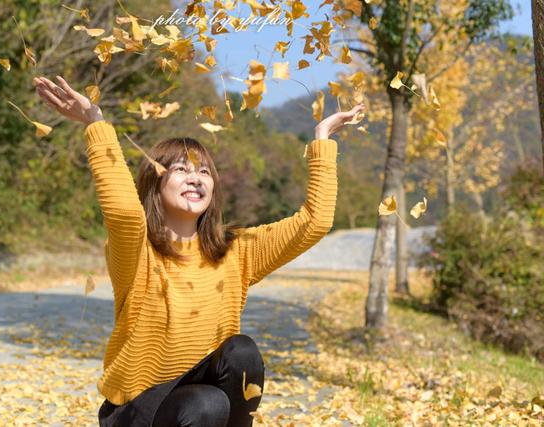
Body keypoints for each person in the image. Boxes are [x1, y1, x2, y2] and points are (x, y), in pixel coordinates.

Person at [33, 75, 365, 427]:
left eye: (204, 171)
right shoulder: (137, 249)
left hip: (198, 404)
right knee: (205, 405)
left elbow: (314, 223)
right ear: (155, 185)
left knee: (241, 353)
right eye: (180, 169)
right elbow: (126, 214)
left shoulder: (235, 252)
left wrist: (322, 140)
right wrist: (95, 124)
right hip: (136, 412)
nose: (196, 178)